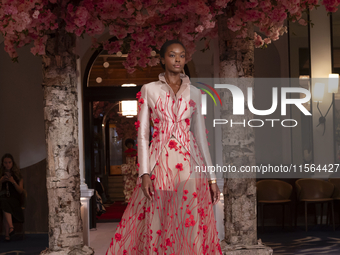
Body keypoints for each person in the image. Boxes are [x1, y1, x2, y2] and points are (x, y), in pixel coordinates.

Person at [106, 40, 222, 254]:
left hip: (191, 165)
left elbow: (200, 137)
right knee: (160, 221)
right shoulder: (149, 90)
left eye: (181, 55)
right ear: (162, 59)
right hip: (160, 164)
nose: (177, 59)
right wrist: (144, 173)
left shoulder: (195, 93)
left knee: (191, 219)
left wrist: (212, 178)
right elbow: (142, 136)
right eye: (172, 55)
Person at [0, 154, 24, 242]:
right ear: (2, 164)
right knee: (4, 202)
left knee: (5, 204)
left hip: (14, 199)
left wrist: (13, 182)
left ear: (12, 163)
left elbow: (20, 191)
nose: (7, 165)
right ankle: (10, 229)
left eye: (9, 162)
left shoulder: (17, 175)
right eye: (5, 163)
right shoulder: (1, 174)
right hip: (3, 198)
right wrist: (1, 181)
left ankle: (8, 232)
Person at [121, 139, 138, 204]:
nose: (129, 145)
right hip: (127, 170)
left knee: (134, 184)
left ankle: (133, 198)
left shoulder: (134, 152)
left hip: (133, 169)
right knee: (127, 185)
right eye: (128, 144)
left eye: (131, 144)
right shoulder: (126, 152)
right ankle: (128, 198)